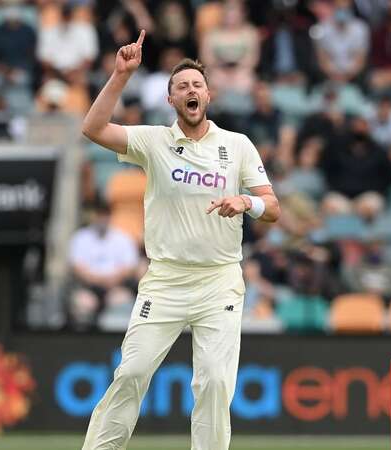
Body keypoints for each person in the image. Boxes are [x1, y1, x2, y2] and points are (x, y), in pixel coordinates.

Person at [79, 30, 280, 450]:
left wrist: (245, 202)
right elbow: (93, 127)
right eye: (181, 87)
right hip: (165, 280)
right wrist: (120, 75)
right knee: (131, 373)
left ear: (208, 96)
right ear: (171, 100)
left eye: (197, 85)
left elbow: (273, 207)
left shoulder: (236, 145)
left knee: (214, 382)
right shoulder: (154, 141)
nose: (190, 91)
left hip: (219, 280)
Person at [68, 201, 139, 330]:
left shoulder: (123, 238)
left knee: (122, 300)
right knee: (83, 302)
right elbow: (77, 268)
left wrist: (112, 279)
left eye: (105, 214)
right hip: (89, 287)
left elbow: (130, 267)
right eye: (99, 214)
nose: (102, 218)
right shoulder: (80, 237)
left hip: (116, 286)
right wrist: (99, 280)